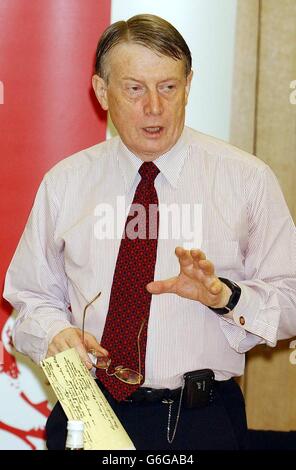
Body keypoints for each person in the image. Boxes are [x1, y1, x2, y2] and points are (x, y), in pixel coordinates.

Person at [3, 14, 296, 451]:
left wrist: (225, 297)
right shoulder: (66, 182)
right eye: (135, 88)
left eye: (169, 87)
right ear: (102, 91)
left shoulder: (245, 180)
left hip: (204, 422)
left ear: (188, 85)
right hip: (89, 412)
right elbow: (29, 298)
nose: (154, 107)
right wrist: (53, 334)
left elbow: (291, 299)